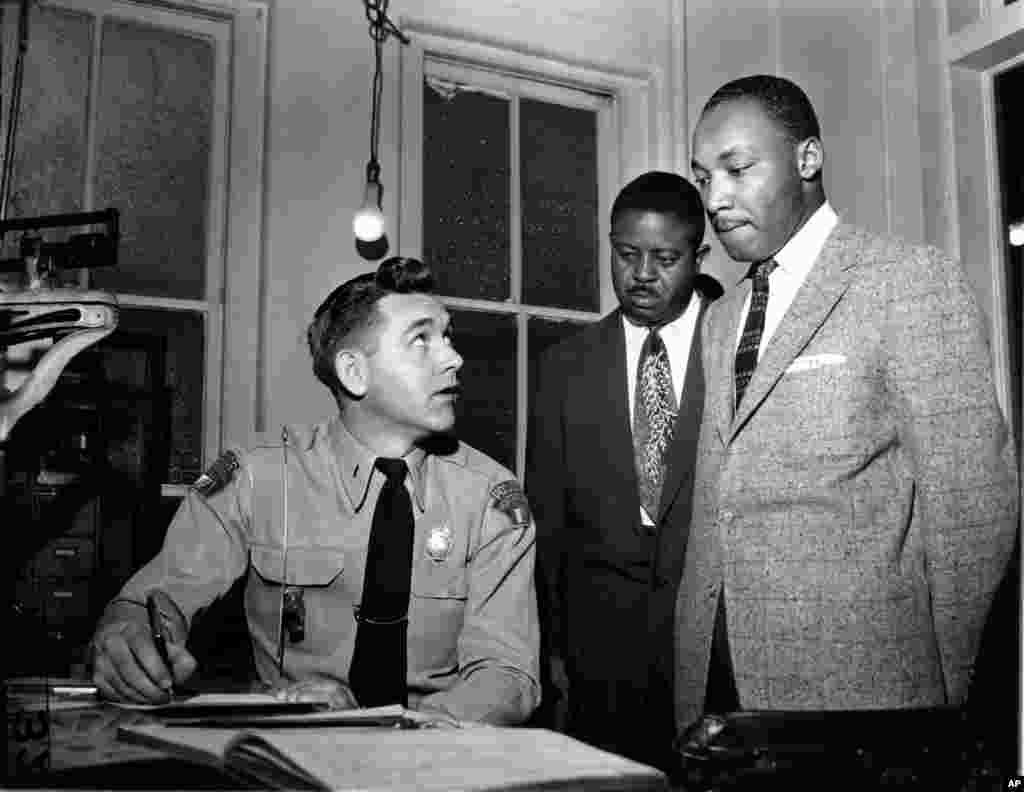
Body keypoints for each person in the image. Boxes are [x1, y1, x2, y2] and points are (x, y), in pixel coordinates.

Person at [677, 74, 1018, 731]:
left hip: (867, 699)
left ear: (807, 158)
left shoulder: (906, 282)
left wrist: (949, 698)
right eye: (702, 178)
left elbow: (973, 509)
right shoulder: (722, 319)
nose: (714, 199)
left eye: (737, 170)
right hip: (721, 694)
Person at [90, 257, 540, 726]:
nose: (453, 358)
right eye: (421, 340)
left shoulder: (490, 498)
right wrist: (128, 636)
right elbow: (158, 597)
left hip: (435, 749)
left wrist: (390, 729)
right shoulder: (257, 478)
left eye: (447, 336)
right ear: (354, 372)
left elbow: (507, 676)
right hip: (283, 743)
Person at [526, 171, 721, 771]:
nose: (641, 274)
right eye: (626, 254)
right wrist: (551, 655)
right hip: (599, 659)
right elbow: (548, 524)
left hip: (716, 651)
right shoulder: (564, 367)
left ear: (698, 258)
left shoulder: (738, 349)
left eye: (665, 258)